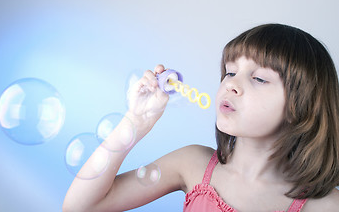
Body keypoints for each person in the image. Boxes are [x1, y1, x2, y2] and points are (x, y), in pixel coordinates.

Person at [63, 24, 339, 212]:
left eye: (258, 78)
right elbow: (81, 206)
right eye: (230, 72)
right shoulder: (193, 164)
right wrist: (137, 120)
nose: (231, 84)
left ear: (300, 105)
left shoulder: (326, 205)